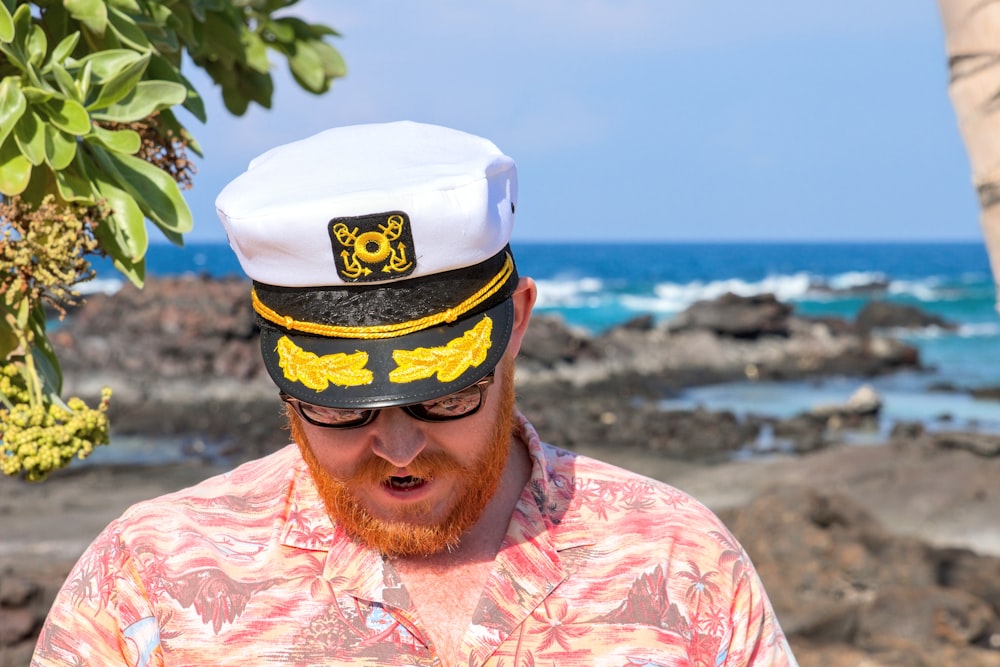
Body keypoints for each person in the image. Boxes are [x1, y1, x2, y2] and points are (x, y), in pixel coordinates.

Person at [31, 121, 798, 666]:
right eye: (339, 407)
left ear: (519, 321)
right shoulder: (149, 577)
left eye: (445, 395)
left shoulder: (677, 556)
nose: (397, 447)